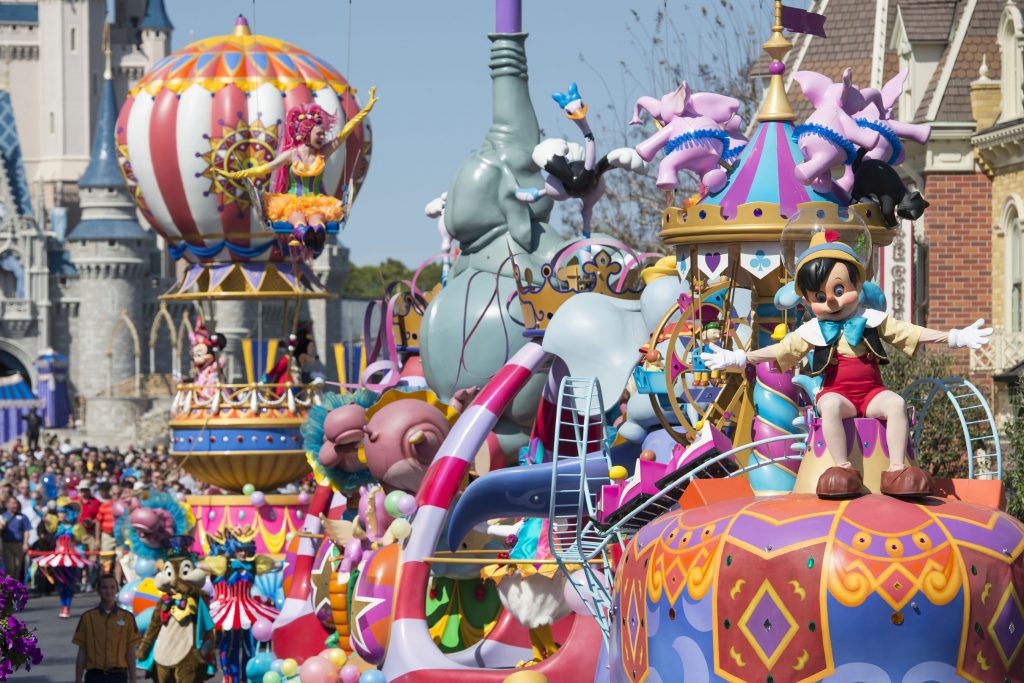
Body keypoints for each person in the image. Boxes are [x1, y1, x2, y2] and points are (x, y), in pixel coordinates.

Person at [704, 230, 992, 498]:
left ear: (857, 285)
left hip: (871, 392)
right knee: (828, 407)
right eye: (819, 297)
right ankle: (842, 467)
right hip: (838, 393)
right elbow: (781, 349)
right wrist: (740, 357)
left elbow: (910, 332)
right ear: (808, 299)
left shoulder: (871, 319)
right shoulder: (813, 330)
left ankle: (896, 470)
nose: (831, 300)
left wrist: (954, 337)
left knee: (896, 404)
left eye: (839, 289)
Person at [214, 91, 378, 256]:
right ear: (306, 134)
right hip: (292, 201)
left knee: (317, 220)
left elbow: (343, 134)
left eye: (323, 134)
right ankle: (304, 235)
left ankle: (316, 238)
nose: (323, 137)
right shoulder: (292, 155)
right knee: (297, 218)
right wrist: (235, 175)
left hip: (317, 202)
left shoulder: (322, 153)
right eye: (319, 134)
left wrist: (366, 109)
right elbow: (264, 169)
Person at [73, 573, 140, 683]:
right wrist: (78, 680)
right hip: (94, 676)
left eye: (112, 587)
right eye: (104, 587)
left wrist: (133, 679)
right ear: (98, 590)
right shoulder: (88, 618)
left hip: (118, 676)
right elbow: (82, 651)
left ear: (117, 590)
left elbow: (130, 651)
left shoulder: (127, 618)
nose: (108, 591)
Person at [34, 501, 90, 617]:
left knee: (69, 583)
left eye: (62, 513)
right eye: (59, 513)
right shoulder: (57, 526)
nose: (59, 515)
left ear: (68, 514)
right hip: (58, 557)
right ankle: (63, 605)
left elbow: (83, 540)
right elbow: (46, 520)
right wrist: (37, 509)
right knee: (60, 582)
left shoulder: (76, 527)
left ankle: (67, 607)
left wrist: (81, 543)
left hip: (71, 558)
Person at [1, 497, 31, 580]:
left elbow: (26, 531)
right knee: (10, 567)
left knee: (18, 567)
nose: (15, 505)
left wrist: (25, 543)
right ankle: (8, 585)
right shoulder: (2, 516)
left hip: (19, 545)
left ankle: (15, 585)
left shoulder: (23, 517)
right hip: (7, 545)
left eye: (16, 503)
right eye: (12, 503)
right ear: (7, 505)